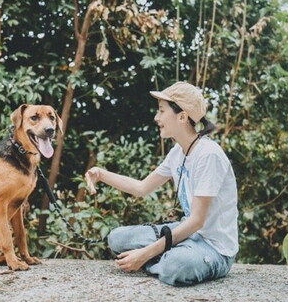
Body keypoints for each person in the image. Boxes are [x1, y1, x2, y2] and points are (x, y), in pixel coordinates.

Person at [85, 81, 238, 286]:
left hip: (214, 248)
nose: (157, 118)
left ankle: (160, 260)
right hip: (185, 234)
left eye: (162, 111)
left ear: (182, 116)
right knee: (116, 238)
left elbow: (197, 221)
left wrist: (145, 254)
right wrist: (101, 174)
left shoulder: (209, 155)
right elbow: (141, 188)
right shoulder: (177, 152)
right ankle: (163, 256)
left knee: (175, 267)